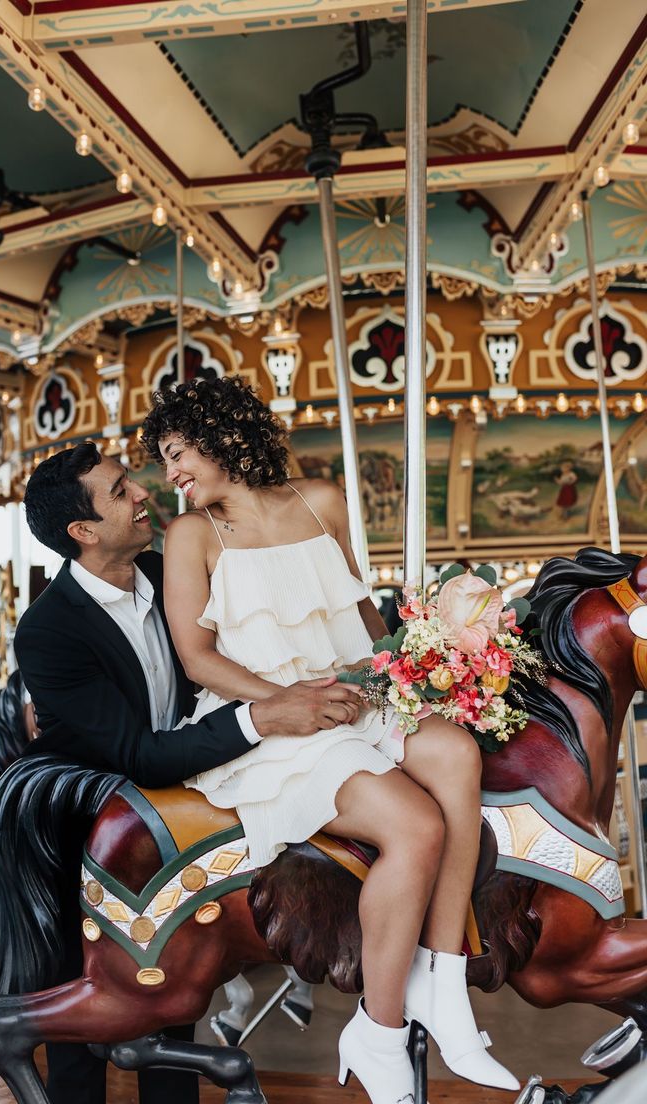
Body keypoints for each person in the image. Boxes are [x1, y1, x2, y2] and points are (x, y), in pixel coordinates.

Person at [142, 377, 520, 1104]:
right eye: (163, 460)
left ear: (222, 437)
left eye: (177, 452)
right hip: (279, 721)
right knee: (414, 825)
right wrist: (284, 700)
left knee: (458, 753)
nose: (171, 474)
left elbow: (360, 617)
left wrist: (413, 673)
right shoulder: (191, 534)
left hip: (352, 698)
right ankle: (376, 1031)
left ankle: (444, 983)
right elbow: (198, 656)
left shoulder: (322, 502)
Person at [15, 442, 364, 1104]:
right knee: (81, 1014)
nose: (144, 493)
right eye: (120, 492)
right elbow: (139, 752)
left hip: (176, 816)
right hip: (89, 826)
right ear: (83, 532)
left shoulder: (170, 567)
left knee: (176, 997)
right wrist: (264, 716)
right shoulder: (47, 631)